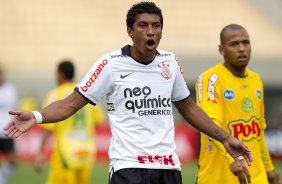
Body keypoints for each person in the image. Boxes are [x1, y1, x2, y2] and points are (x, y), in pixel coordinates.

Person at [4, 2, 253, 184]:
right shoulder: (110, 64)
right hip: (128, 168)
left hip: (168, 168)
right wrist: (36, 117)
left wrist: (224, 138)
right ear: (130, 31)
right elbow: (70, 104)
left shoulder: (169, 63)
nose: (150, 31)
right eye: (143, 25)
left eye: (156, 26)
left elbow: (189, 108)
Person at [195, 24, 280, 184]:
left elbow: (258, 131)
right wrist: (231, 158)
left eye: (245, 43)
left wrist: (268, 168)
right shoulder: (210, 79)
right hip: (219, 177)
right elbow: (210, 123)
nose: (241, 48)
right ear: (221, 49)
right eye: (234, 44)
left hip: (257, 177)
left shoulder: (256, 80)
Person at [33, 60, 104, 184]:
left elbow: (47, 128)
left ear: (60, 74)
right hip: (86, 153)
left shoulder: (55, 94)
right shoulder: (86, 92)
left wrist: (39, 153)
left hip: (65, 155)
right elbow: (98, 121)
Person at [0, 63, 18, 184]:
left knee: (12, 160)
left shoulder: (10, 89)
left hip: (7, 130)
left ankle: (2, 177)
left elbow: (15, 107)